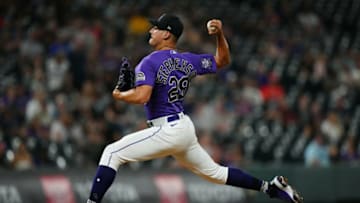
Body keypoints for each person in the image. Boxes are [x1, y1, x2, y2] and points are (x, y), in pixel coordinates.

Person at [87, 13, 303, 203]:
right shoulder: (187, 60)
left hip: (167, 129)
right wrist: (219, 35)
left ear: (167, 34)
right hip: (182, 127)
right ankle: (270, 187)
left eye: (157, 27)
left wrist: (119, 94)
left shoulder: (148, 62)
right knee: (216, 173)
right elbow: (222, 60)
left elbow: (143, 96)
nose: (151, 30)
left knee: (112, 152)